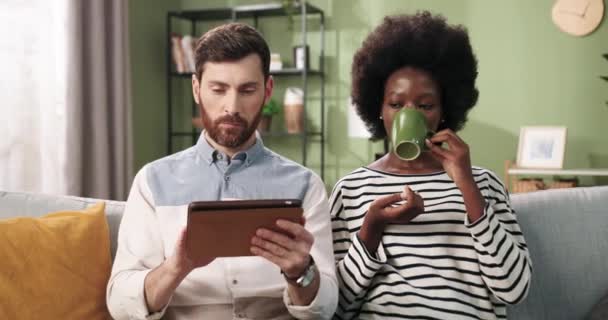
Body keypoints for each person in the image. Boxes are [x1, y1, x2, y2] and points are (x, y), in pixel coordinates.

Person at [107, 23, 338, 320]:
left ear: (267, 91)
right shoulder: (152, 182)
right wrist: (175, 268)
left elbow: (326, 307)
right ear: (196, 89)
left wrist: (301, 272)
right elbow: (120, 304)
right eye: (218, 89)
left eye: (247, 90)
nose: (232, 106)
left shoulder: (305, 186)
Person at [330, 12, 532, 319]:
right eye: (396, 104)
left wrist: (466, 184)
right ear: (378, 110)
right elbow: (335, 308)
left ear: (444, 111)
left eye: (424, 105)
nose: (408, 115)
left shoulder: (483, 183)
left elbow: (514, 290)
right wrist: (372, 228)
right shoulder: (351, 189)